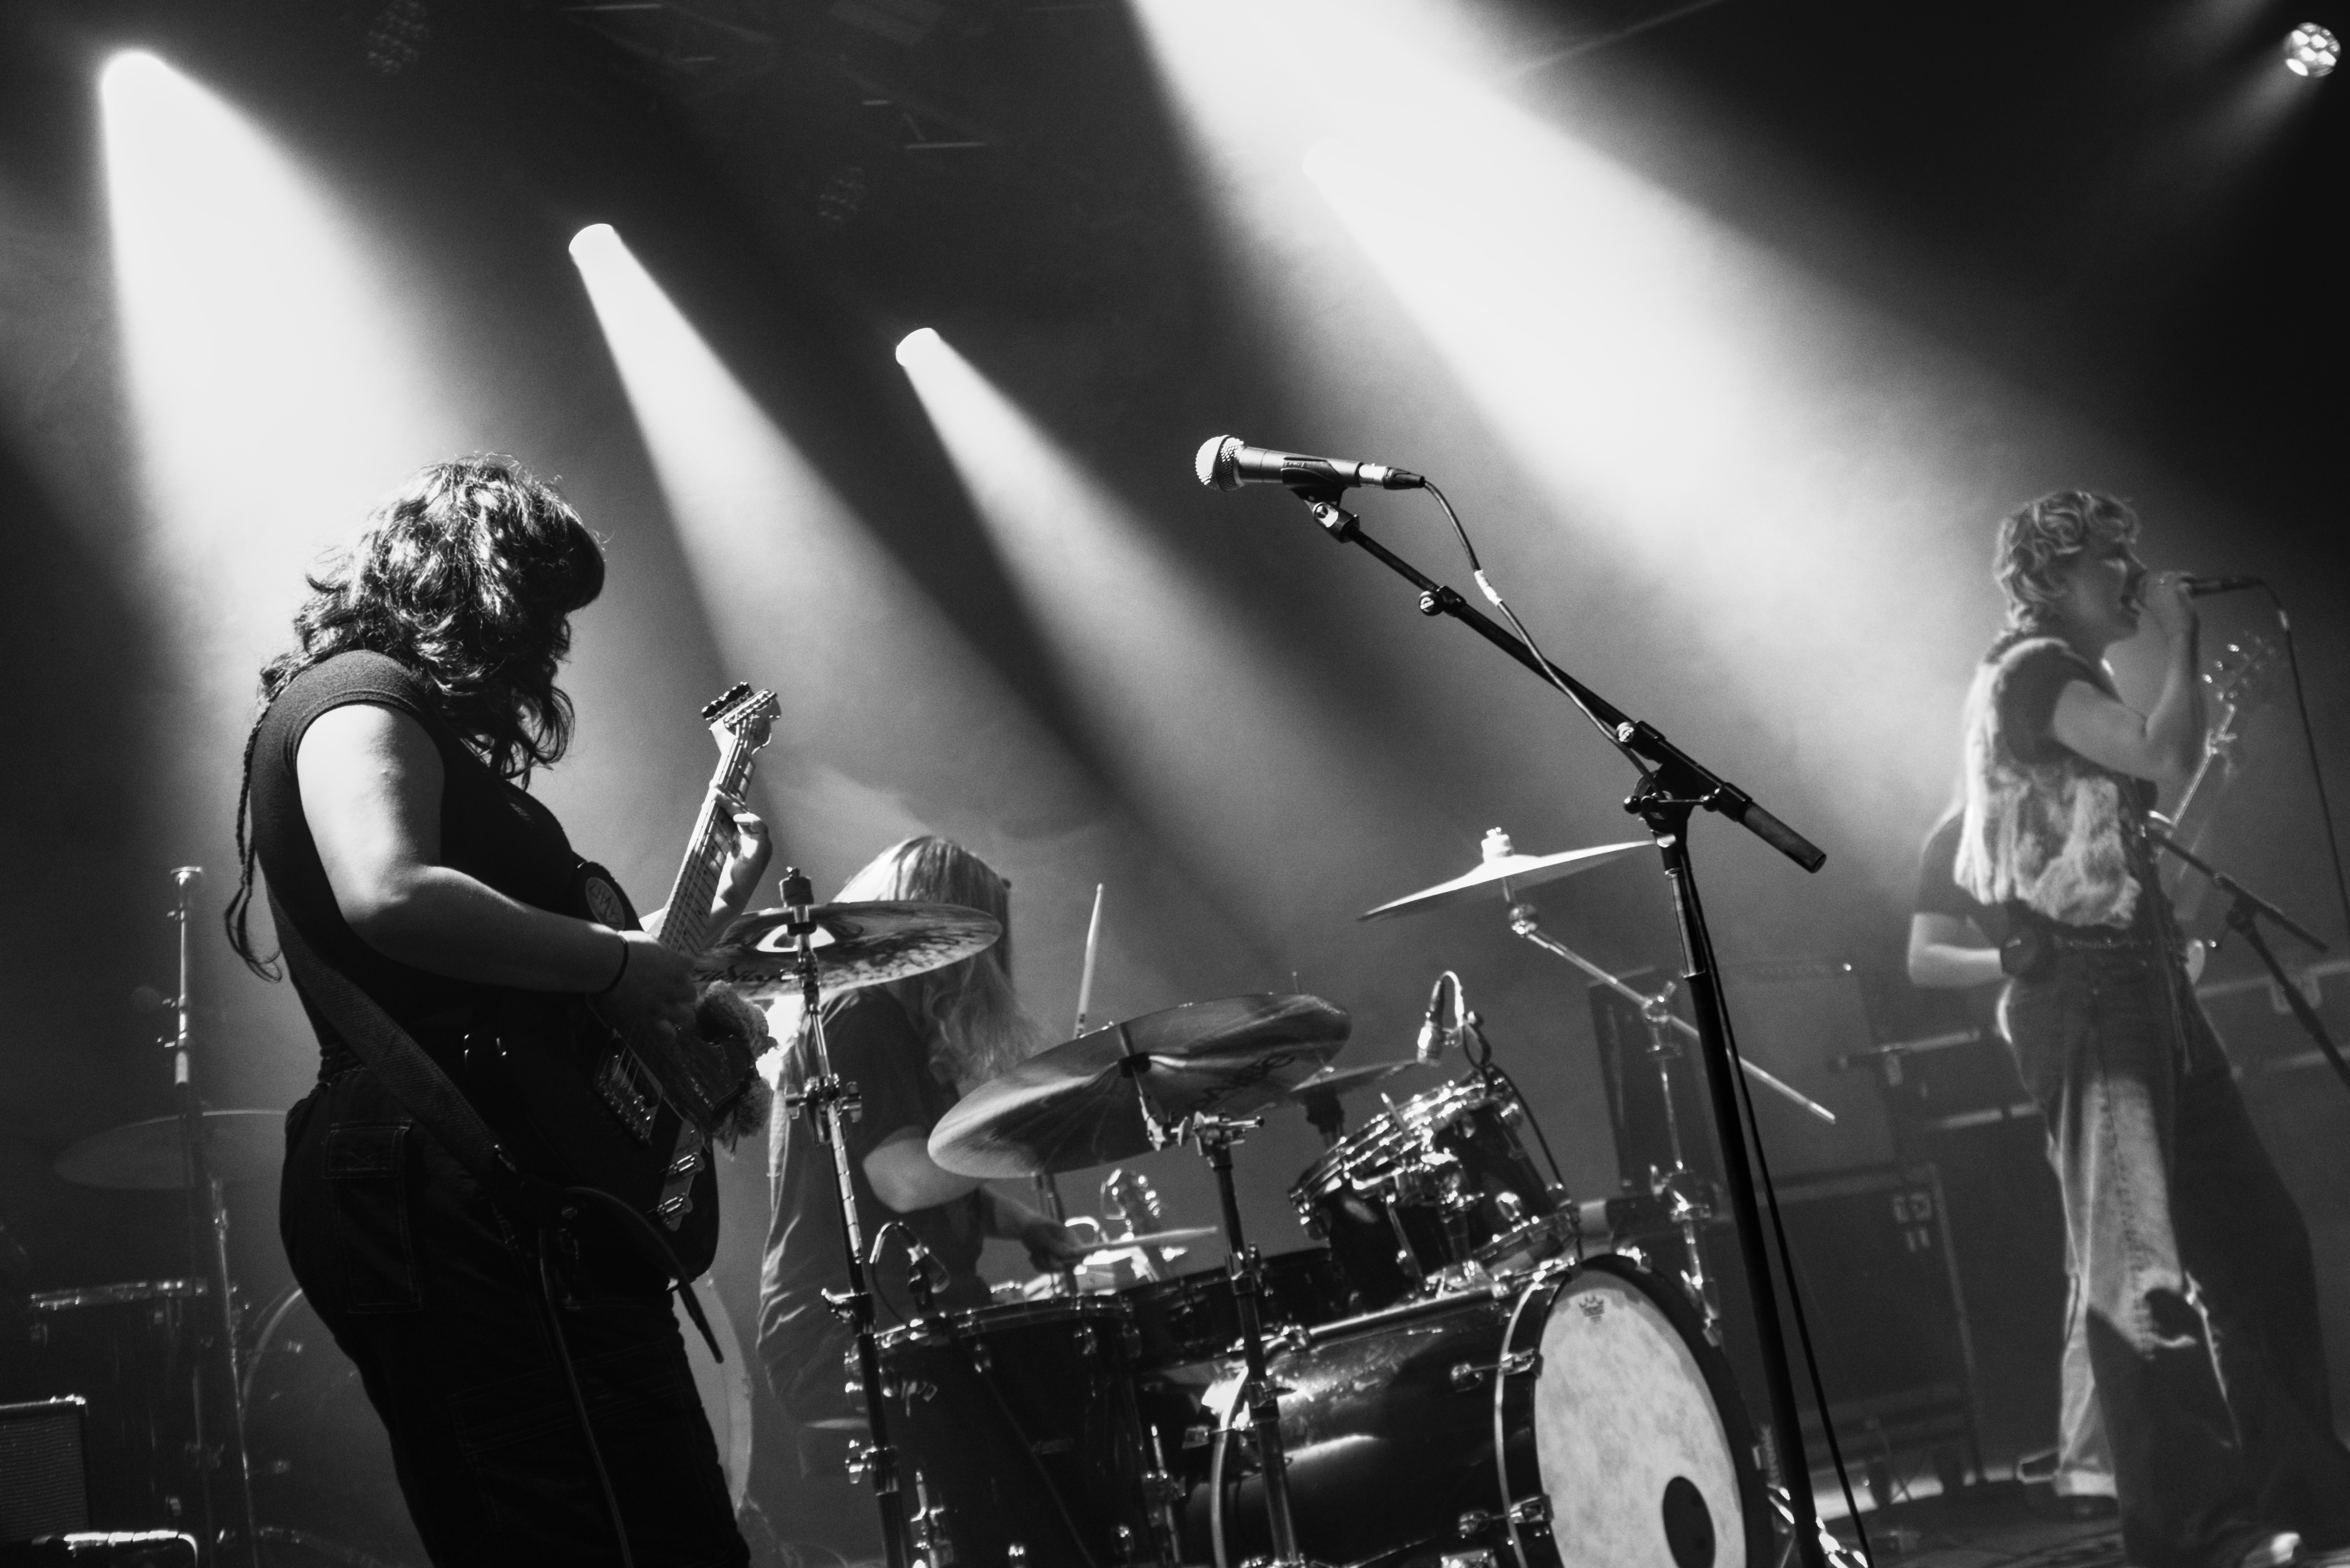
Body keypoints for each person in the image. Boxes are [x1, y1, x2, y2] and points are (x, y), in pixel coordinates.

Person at [226, 456, 764, 1567]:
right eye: (540, 611)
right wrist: (615, 966)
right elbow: (391, 892)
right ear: (469, 582)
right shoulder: (352, 696)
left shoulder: (416, 727)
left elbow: (533, 968)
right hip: (447, 1177)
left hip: (510, 1180)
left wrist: (688, 924)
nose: (553, 647)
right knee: (573, 1525)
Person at [1953, 490, 2350, 1568]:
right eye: (2107, 561)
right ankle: (2189, 1531)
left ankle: (2308, 1497)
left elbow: (2157, 805)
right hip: (2081, 993)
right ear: (2049, 577)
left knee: (2257, 1241)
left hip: (2141, 982)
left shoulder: (2068, 680)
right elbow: (2156, 753)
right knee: (2138, 1266)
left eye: (2132, 555)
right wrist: (2178, 636)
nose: (2131, 575)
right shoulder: (2034, 669)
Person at [757, 838, 1084, 1489]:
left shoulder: (892, 1026)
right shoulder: (863, 1018)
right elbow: (904, 1181)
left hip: (890, 1317)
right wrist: (1030, 1138)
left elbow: (919, 1176)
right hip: (840, 1334)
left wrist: (1022, 1224)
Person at [1910, 807, 2116, 1514]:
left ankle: (2112, 1459)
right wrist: (2006, 957)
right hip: (2068, 1024)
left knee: (2142, 1249)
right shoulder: (1961, 832)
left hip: (2134, 1011)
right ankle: (2090, 1464)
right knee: (2109, 1250)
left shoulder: (2090, 800)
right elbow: (1922, 957)